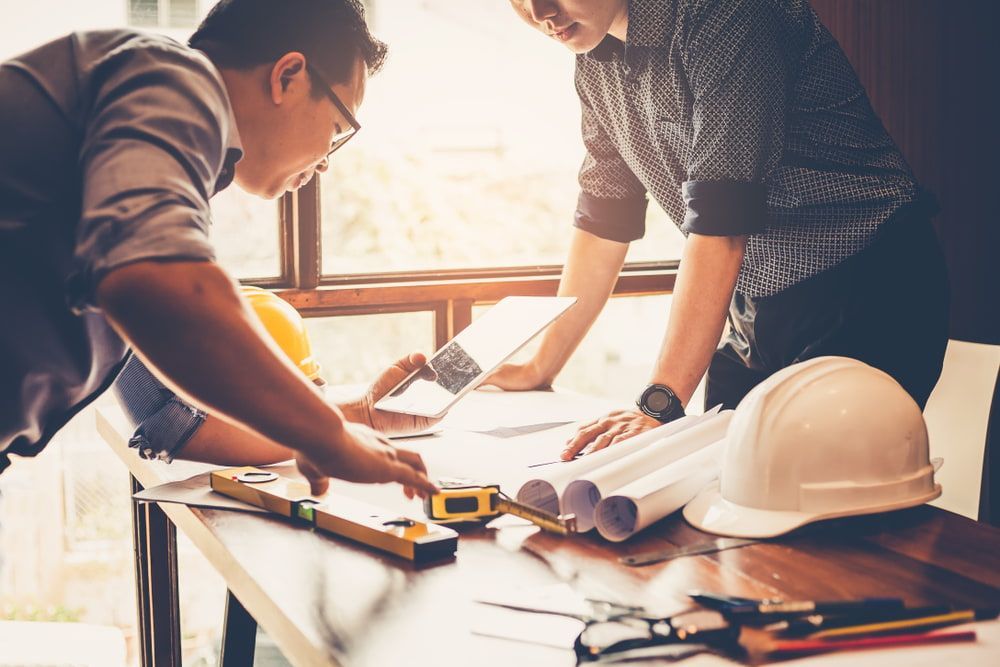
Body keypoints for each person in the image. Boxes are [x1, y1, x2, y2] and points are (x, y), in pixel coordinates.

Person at [0, 0, 436, 498]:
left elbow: (164, 407)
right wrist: (327, 434)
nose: (325, 164)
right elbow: (160, 288)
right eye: (337, 129)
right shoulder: (169, 80)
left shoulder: (147, 135)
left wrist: (343, 421)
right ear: (288, 76)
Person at [490, 0, 949, 460]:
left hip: (867, 286)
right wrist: (539, 366)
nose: (540, 11)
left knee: (817, 505)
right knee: (715, 481)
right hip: (754, 305)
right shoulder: (593, 60)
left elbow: (721, 220)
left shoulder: (726, 12)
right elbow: (604, 218)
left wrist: (660, 402)